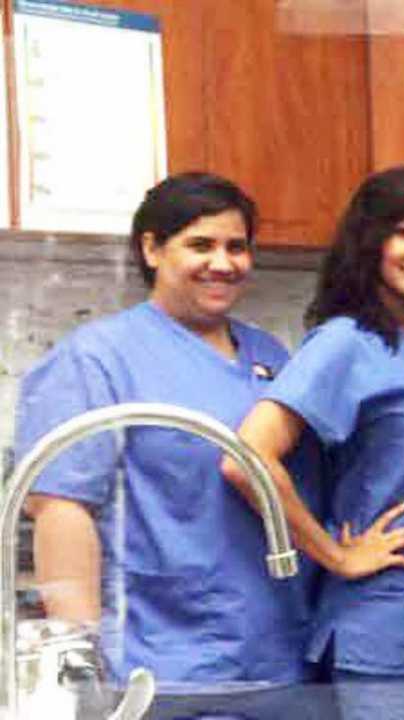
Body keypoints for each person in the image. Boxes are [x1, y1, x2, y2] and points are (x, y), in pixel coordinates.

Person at [16, 172, 323, 718]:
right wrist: (80, 668)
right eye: (200, 245)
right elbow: (61, 510)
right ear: (152, 249)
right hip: (157, 669)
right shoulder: (98, 359)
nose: (223, 263)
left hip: (274, 661)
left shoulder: (271, 357)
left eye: (237, 247)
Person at [224, 166, 404, 720]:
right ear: (368, 239)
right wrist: (338, 556)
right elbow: (246, 457)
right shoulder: (345, 342)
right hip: (390, 632)